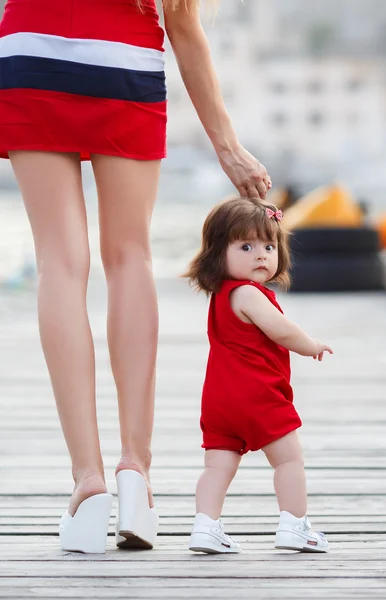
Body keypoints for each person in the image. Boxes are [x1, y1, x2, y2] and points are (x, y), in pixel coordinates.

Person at [0, 0, 272, 554]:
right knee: (130, 258)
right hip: (120, 59)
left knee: (59, 263)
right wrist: (228, 146)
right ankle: (136, 475)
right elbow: (183, 24)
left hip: (30, 53)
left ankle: (87, 481)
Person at [184, 196, 332, 554]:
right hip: (257, 395)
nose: (261, 255)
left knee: (217, 467)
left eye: (269, 245)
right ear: (218, 254)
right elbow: (281, 330)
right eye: (246, 246)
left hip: (219, 399)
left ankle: (206, 526)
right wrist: (309, 343)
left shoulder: (223, 296)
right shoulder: (249, 295)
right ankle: (295, 525)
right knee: (288, 459)